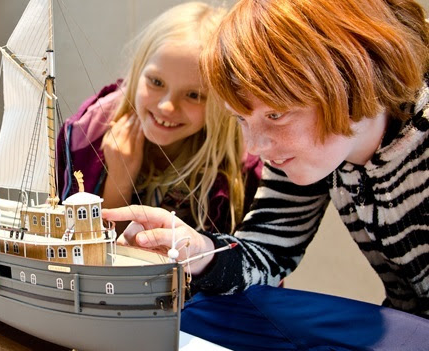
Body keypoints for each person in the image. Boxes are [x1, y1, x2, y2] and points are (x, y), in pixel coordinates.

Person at [103, 0, 429, 349]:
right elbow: (268, 251)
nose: (254, 146)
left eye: (275, 116)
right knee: (195, 310)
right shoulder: (317, 147)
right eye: (241, 119)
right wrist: (199, 251)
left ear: (349, 78)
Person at [57, 2, 262, 235]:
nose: (166, 106)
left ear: (220, 103)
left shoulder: (240, 166)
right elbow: (91, 251)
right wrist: (119, 181)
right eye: (156, 82)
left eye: (194, 95)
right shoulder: (89, 134)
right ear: (137, 72)